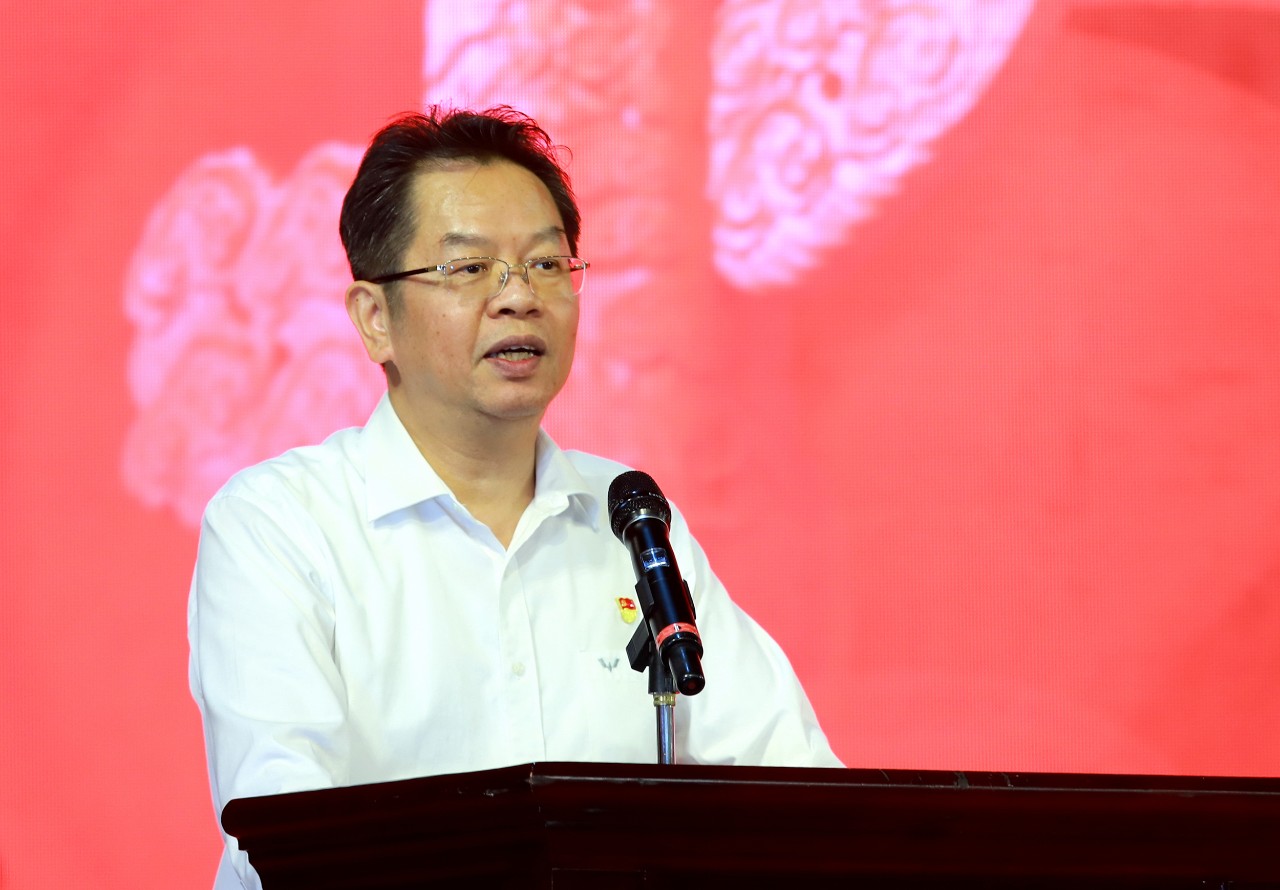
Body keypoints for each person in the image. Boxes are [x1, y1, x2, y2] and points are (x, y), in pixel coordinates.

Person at [188, 106, 841, 890]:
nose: (519, 296)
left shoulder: (629, 522)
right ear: (375, 319)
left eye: (546, 264)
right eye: (469, 268)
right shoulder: (281, 525)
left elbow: (799, 796)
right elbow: (287, 832)